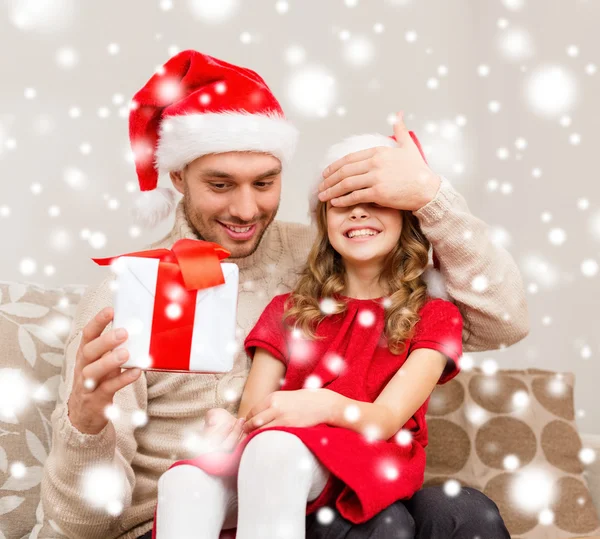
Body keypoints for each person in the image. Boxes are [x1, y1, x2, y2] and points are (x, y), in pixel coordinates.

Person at [40, 50, 526, 539]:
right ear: (177, 176)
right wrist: (85, 424)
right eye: (220, 184)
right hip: (189, 512)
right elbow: (79, 526)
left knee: (463, 513)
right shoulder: (131, 290)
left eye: (264, 182)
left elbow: (501, 321)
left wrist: (430, 195)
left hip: (320, 484)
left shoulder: (321, 258)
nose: (245, 208)